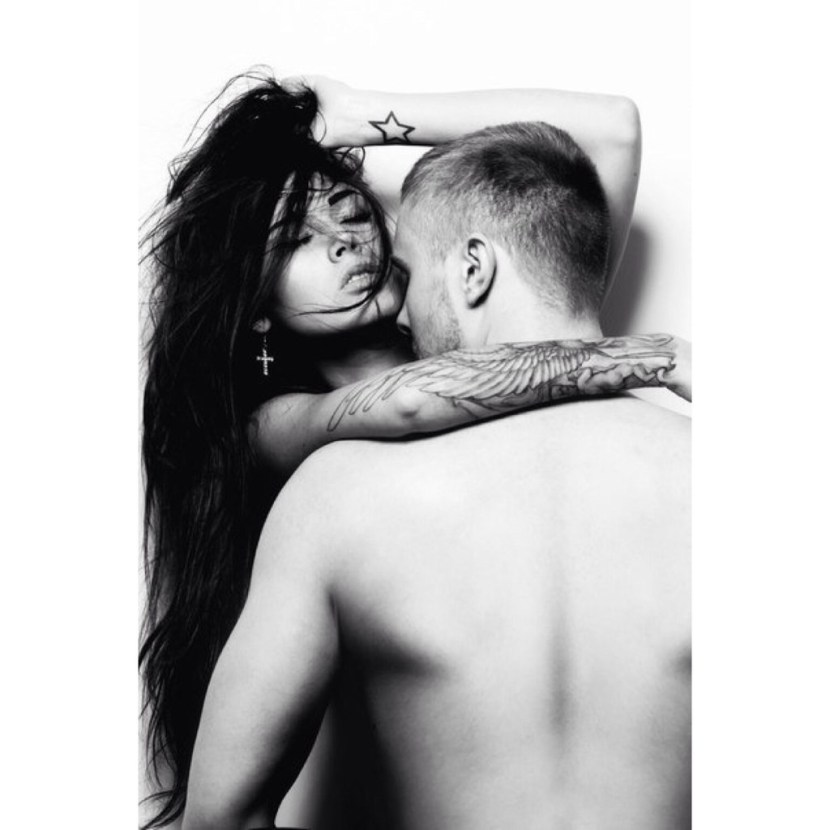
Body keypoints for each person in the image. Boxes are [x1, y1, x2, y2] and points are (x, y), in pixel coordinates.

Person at [140, 72, 690, 828]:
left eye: (347, 210)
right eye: (296, 240)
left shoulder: (484, 298)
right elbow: (406, 403)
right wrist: (649, 356)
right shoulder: (278, 434)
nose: (346, 241)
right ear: (255, 304)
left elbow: (609, 137)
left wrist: (355, 117)